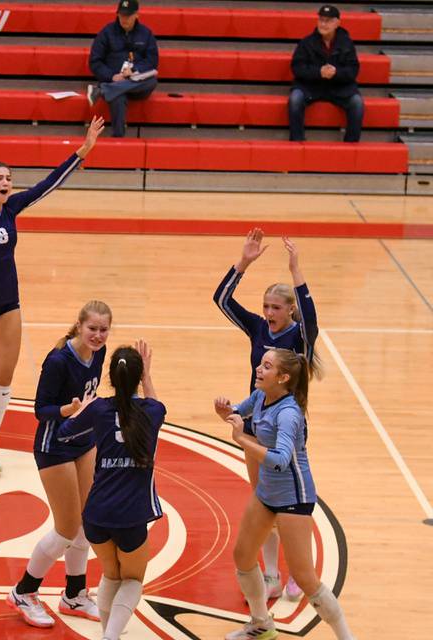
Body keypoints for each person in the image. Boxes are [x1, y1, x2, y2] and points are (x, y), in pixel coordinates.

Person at [0, 108, 104, 474]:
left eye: (10, 178)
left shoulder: (12, 208)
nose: (7, 182)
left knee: (4, 374)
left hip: (7, 303)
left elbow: (47, 185)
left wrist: (83, 150)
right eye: (0, 177)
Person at [214, 349, 355, 640]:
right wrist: (226, 413)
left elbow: (280, 460)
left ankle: (346, 636)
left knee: (305, 578)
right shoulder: (261, 397)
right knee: (243, 556)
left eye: (267, 366)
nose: (258, 368)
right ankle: (261, 624)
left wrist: (241, 439)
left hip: (293, 497)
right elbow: (239, 412)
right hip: (267, 494)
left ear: (283, 377)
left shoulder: (290, 413)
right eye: (260, 363)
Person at [212, 228, 321, 603]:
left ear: (289, 310)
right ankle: (272, 575)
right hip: (258, 423)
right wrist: (244, 261)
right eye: (266, 307)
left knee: (293, 500)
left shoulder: (300, 338)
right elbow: (222, 299)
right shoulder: (258, 327)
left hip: (288, 427)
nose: (268, 313)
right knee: (264, 498)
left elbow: (311, 319)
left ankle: (299, 572)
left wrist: (296, 270)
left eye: (276, 307)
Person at [7, 301, 112, 628]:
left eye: (103, 330)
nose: (97, 335)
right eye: (92, 328)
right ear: (79, 326)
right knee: (66, 528)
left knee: (86, 522)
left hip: (84, 443)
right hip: (55, 446)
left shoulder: (99, 353)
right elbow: (41, 410)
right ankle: (23, 591)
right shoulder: (58, 361)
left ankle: (74, 594)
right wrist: (68, 410)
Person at [55, 342, 165, 640]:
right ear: (138, 378)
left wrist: (84, 408)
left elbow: (64, 434)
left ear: (110, 379)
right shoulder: (152, 411)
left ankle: (108, 634)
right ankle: (110, 637)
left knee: (111, 576)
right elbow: (156, 406)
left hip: (96, 515)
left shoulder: (101, 409)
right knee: (132, 580)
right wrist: (147, 378)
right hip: (130, 517)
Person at [289, 5, 363, 143]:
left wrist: (336, 73)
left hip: (339, 87)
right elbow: (297, 67)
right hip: (311, 86)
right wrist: (318, 72)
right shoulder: (306, 42)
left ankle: (351, 145)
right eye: (321, 20)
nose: (323, 24)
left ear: (337, 23)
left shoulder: (347, 43)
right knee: (295, 98)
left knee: (357, 103)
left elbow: (353, 70)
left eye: (328, 21)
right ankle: (297, 142)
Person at [87, 0, 159, 138]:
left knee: (152, 81)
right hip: (114, 80)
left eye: (128, 16)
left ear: (136, 15)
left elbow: (152, 61)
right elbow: (95, 61)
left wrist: (135, 70)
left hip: (137, 83)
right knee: (117, 95)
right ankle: (118, 138)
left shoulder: (146, 34)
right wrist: (112, 76)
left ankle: (103, 90)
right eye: (121, 15)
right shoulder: (106, 32)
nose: (124, 19)